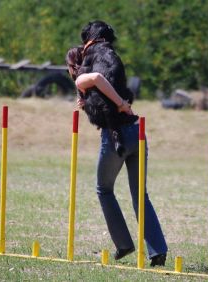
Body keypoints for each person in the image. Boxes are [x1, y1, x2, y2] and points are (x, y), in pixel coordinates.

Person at [66, 37, 168, 266]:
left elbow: (97, 78)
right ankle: (158, 251)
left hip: (115, 138)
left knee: (104, 189)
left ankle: (123, 244)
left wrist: (120, 102)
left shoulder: (83, 77)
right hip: (136, 132)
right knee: (140, 196)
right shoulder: (104, 69)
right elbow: (104, 79)